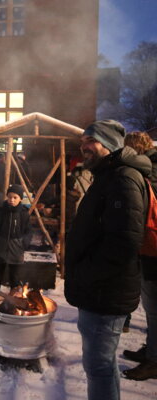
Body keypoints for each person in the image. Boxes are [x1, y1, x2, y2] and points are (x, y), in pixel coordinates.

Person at [64, 120, 151, 400]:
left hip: (105, 292)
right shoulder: (109, 175)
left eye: (91, 140)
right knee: (102, 364)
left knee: (98, 365)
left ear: (110, 144)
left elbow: (124, 241)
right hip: (100, 290)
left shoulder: (123, 178)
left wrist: (86, 274)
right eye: (83, 141)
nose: (84, 146)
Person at [122, 131, 157, 380]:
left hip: (154, 247)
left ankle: (154, 361)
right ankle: (151, 351)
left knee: (155, 307)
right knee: (151, 306)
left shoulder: (151, 171)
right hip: (149, 247)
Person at [0, 184, 32, 294]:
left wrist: (23, 244)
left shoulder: (23, 214)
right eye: (9, 197)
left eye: (15, 197)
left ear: (20, 198)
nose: (11, 200)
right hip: (0, 249)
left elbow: (28, 231)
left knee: (14, 279)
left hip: (16, 250)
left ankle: (13, 303)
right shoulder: (0, 212)